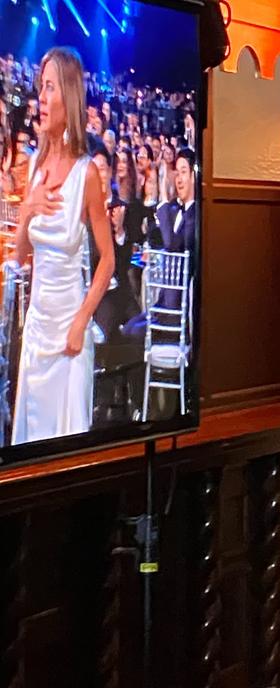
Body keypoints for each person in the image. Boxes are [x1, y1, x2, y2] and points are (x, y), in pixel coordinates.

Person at [11, 47, 115, 444]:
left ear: (68, 95)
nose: (41, 97)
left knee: (67, 450)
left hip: (70, 336)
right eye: (40, 87)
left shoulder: (87, 173)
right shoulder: (35, 164)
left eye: (50, 87)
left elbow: (107, 260)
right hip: (37, 333)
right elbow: (21, 255)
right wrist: (26, 213)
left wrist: (81, 320)